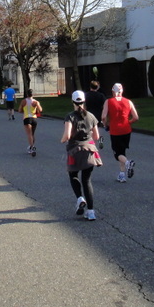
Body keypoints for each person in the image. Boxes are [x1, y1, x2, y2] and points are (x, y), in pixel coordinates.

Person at [61, 90, 103, 220]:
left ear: (72, 102)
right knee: (87, 180)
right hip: (89, 150)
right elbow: (96, 136)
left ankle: (80, 198)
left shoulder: (70, 117)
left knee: (73, 175)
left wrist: (62, 140)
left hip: (75, 150)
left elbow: (67, 135)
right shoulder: (91, 116)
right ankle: (91, 212)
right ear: (84, 101)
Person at [101, 83, 139, 183]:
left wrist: (105, 125)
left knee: (117, 153)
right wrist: (128, 122)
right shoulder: (129, 102)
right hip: (126, 130)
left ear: (113, 91)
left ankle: (128, 163)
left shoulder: (108, 101)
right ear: (122, 91)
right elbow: (136, 117)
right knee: (122, 151)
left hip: (115, 130)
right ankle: (122, 175)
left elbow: (103, 117)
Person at [17, 88, 43, 156]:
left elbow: (19, 110)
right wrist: (36, 106)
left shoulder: (23, 101)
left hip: (27, 118)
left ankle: (32, 148)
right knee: (32, 134)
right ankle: (31, 146)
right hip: (34, 118)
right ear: (32, 94)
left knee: (29, 134)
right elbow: (40, 110)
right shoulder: (36, 102)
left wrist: (24, 111)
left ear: (27, 94)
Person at [84, 80, 107, 150]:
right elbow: (104, 106)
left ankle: (92, 142)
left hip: (88, 115)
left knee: (89, 130)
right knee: (96, 128)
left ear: (90, 86)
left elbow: (84, 106)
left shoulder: (86, 95)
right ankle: (98, 138)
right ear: (97, 87)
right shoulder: (101, 96)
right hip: (98, 115)